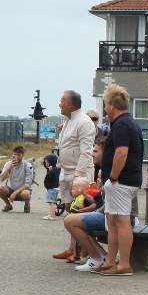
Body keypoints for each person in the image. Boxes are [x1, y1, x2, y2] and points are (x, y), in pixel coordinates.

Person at [96, 84, 143, 276]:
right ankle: (110, 261)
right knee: (113, 219)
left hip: (121, 181)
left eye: (106, 103)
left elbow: (122, 152)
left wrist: (113, 177)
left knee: (121, 220)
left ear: (111, 105)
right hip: (124, 181)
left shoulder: (122, 124)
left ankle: (124, 264)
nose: (105, 108)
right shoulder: (127, 122)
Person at [51, 90, 96, 261]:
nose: (60, 103)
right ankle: (72, 248)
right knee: (70, 212)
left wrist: (78, 176)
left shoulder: (84, 122)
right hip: (66, 171)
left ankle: (84, 251)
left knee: (81, 212)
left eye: (62, 100)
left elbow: (86, 152)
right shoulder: (68, 121)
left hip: (80, 174)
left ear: (71, 104)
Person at [63, 178, 107, 272]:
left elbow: (96, 204)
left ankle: (95, 258)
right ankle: (101, 256)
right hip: (106, 214)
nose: (72, 190)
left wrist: (84, 210)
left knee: (70, 222)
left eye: (74, 188)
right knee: (77, 227)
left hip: (110, 216)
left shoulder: (88, 194)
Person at [0, 145, 35, 212]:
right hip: (10, 189)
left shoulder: (27, 165)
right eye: (14, 154)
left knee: (26, 194)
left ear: (22, 155)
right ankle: (8, 205)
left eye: (18, 155)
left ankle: (27, 204)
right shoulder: (8, 163)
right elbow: (1, 179)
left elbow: (27, 184)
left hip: (22, 190)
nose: (16, 156)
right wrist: (9, 168)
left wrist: (15, 193)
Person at [41, 153, 61, 220]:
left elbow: (52, 176)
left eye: (47, 162)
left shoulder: (53, 170)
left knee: (51, 202)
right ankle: (52, 213)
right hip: (52, 188)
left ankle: (52, 216)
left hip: (52, 188)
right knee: (52, 202)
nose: (46, 163)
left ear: (51, 162)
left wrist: (50, 171)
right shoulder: (55, 169)